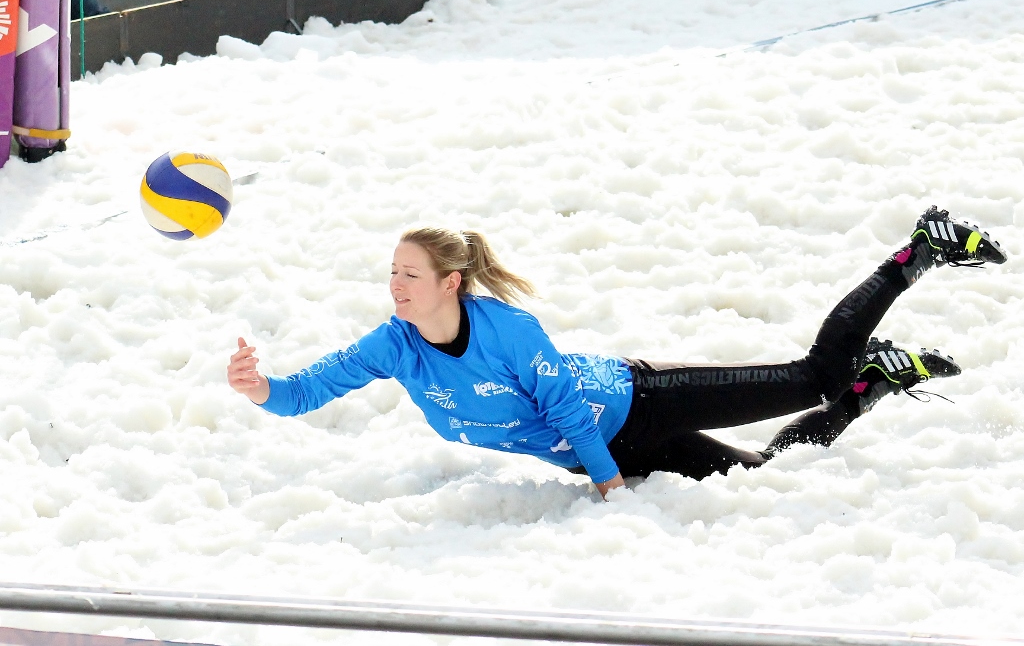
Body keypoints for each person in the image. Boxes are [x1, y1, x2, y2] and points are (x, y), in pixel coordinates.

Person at [227, 207, 1007, 497]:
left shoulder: (507, 332)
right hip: (607, 451)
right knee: (761, 476)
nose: (394, 285)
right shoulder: (395, 346)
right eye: (392, 272)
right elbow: (308, 390)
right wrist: (260, 386)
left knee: (813, 377)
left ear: (450, 282)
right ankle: (873, 384)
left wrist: (606, 482)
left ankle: (917, 250)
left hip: (642, 402)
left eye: (408, 273)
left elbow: (566, 407)